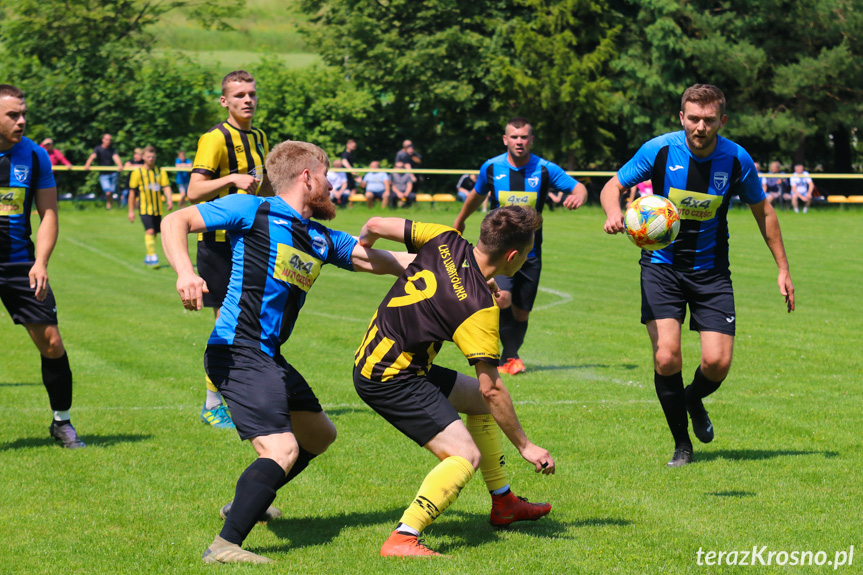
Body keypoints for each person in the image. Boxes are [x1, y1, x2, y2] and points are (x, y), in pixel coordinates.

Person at [161, 139, 414, 565]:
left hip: (267, 355)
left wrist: (458, 264)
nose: (333, 185)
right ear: (307, 176)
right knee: (281, 450)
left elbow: (383, 260)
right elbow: (176, 220)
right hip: (237, 350)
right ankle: (225, 546)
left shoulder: (320, 238)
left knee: (319, 435)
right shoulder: (252, 208)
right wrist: (186, 272)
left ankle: (249, 503)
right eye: (328, 175)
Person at [599, 84, 795, 467]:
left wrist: (783, 269)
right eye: (693, 118)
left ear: (721, 120)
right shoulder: (659, 149)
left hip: (711, 272)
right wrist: (611, 213)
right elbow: (613, 186)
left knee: (717, 363)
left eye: (708, 120)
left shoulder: (737, 159)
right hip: (661, 268)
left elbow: (764, 211)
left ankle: (692, 399)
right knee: (667, 355)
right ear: (681, 118)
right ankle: (681, 445)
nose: (700, 127)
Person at [354, 206, 555, 557]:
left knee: (476, 406)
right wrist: (526, 446)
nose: (527, 257)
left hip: (380, 358)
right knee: (464, 455)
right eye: (527, 252)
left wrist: (366, 246)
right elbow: (491, 387)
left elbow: (372, 225)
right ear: (512, 256)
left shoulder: (445, 238)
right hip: (391, 378)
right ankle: (403, 537)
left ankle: (503, 503)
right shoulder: (479, 308)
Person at [453, 117, 588, 375]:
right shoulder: (492, 168)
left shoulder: (545, 169)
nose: (519, 141)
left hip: (530, 253)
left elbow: (578, 187)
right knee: (502, 298)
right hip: (499, 251)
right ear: (505, 139)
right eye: (514, 137)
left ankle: (509, 355)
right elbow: (477, 194)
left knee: (522, 312)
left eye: (524, 137)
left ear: (531, 140)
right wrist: (460, 220)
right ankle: (506, 356)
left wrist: (578, 196)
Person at [186, 70, 273, 430]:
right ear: (224, 101)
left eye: (251, 93)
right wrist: (231, 180)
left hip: (252, 242)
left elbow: (265, 185)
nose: (247, 100)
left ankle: (247, 396)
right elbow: (193, 192)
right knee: (227, 324)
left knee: (253, 322)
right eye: (239, 95)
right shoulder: (215, 138)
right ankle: (211, 404)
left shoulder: (260, 137)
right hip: (219, 246)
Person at [0, 84, 84, 449]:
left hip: (20, 263)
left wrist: (41, 262)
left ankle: (61, 422)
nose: (21, 121)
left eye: (23, 115)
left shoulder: (34, 156)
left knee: (51, 342)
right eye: (12, 115)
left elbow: (48, 212)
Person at [128, 146, 173, 268]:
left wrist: (169, 199)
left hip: (157, 208)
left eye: (153, 157)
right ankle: (153, 257)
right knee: (150, 231)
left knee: (155, 234)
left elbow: (166, 187)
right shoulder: (137, 173)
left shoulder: (160, 171)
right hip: (144, 208)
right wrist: (131, 211)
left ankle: (148, 257)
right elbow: (132, 192)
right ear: (143, 157)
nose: (151, 159)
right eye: (148, 156)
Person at [83, 133, 123, 210]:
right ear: (103, 140)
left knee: (111, 192)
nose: (108, 141)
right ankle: (110, 205)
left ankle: (110, 205)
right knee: (108, 192)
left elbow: (116, 157)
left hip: (113, 173)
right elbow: (92, 156)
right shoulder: (98, 149)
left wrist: (120, 165)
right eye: (107, 139)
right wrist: (87, 164)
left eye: (110, 140)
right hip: (104, 174)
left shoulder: (112, 149)